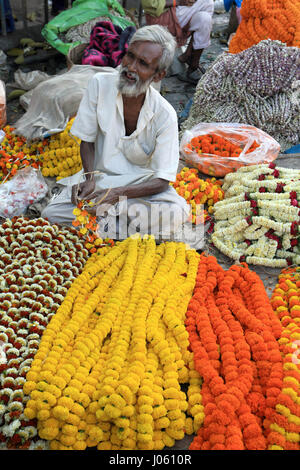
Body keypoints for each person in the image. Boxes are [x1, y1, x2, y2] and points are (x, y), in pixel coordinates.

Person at [41, 25, 192, 243]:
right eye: (130, 56)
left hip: (138, 190)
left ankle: (100, 226)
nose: (130, 67)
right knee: (52, 213)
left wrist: (116, 195)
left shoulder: (164, 115)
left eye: (143, 64)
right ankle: (122, 229)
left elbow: (161, 181)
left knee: (177, 212)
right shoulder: (99, 85)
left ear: (159, 75)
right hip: (100, 181)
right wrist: (89, 178)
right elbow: (87, 141)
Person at [142, 0, 214, 85]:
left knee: (204, 19)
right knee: (208, 3)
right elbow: (150, 4)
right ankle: (188, 56)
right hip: (162, 17)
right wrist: (177, 2)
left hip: (176, 11)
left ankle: (193, 65)